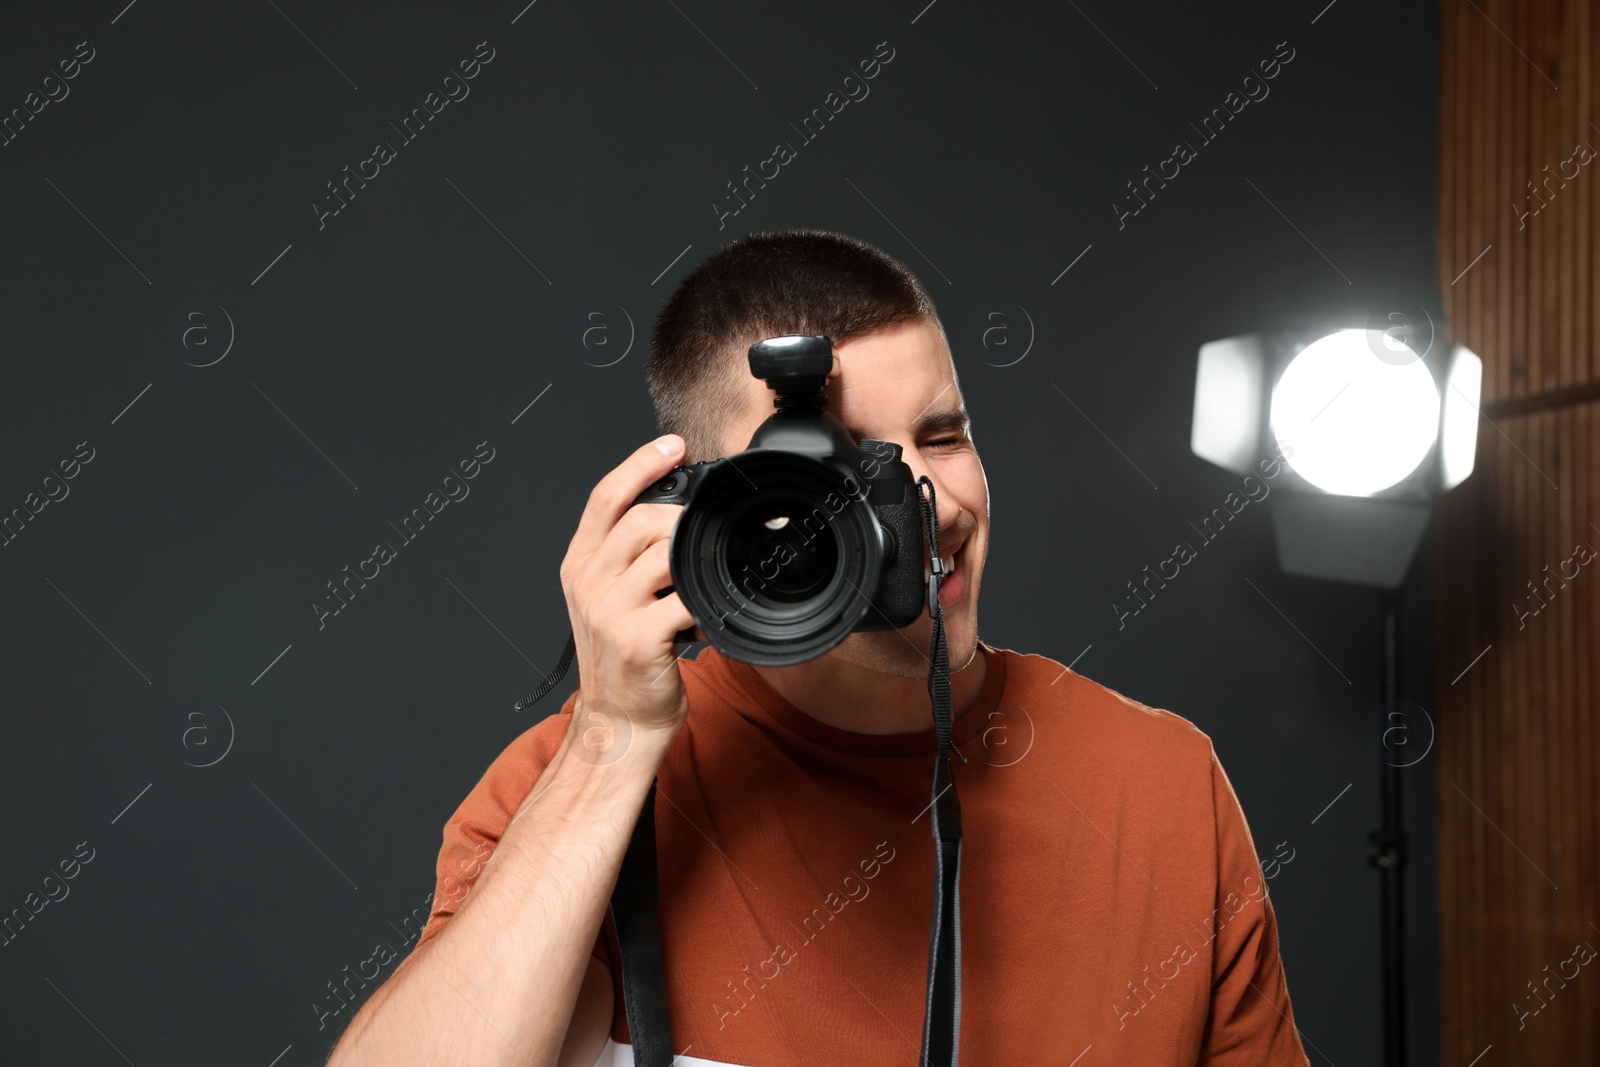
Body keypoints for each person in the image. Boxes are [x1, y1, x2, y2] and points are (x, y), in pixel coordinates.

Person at [325, 230, 1313, 1067]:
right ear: (709, 512)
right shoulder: (572, 786)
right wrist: (609, 746)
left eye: (941, 435)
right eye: (840, 470)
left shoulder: (1160, 785)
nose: (923, 510)